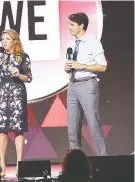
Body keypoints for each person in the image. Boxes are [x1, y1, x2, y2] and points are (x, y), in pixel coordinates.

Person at [0, 29, 32, 177]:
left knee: (18, 129)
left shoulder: (23, 57)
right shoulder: (0, 57)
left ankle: (19, 164)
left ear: (14, 40)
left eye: (7, 39)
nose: (4, 42)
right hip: (3, 93)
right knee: (2, 129)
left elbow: (28, 78)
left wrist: (18, 74)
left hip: (17, 94)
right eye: (3, 39)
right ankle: (2, 163)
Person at [65, 13, 108, 156]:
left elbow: (102, 66)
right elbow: (71, 64)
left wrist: (81, 65)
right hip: (72, 85)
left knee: (93, 123)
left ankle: (103, 161)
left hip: (88, 84)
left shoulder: (92, 42)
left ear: (81, 25)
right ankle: (74, 163)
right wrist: (68, 68)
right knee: (73, 127)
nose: (69, 27)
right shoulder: (70, 44)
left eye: (72, 25)